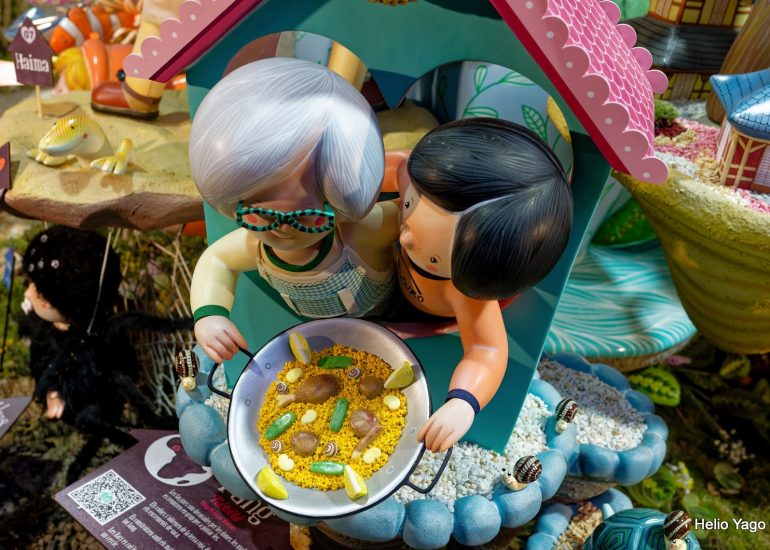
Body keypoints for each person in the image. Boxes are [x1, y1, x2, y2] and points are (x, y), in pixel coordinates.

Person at [188, 57, 399, 364]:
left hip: (390, 322)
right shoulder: (255, 246)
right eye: (263, 216)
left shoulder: (356, 234)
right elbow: (217, 260)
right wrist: (209, 316)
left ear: (339, 207)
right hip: (322, 339)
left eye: (307, 217)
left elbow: (408, 216)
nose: (283, 229)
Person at [393, 118, 573, 452]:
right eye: (409, 204)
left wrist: (463, 402)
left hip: (419, 311)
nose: (405, 236)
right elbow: (398, 166)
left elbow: (486, 350)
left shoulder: (463, 292)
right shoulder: (419, 188)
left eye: (433, 256)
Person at [18, 226, 138, 481]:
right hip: (61, 393)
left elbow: (115, 374)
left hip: (92, 402)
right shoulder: (44, 330)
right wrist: (51, 389)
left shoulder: (96, 343)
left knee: (91, 419)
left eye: (37, 292)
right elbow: (44, 364)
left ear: (55, 302)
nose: (27, 293)